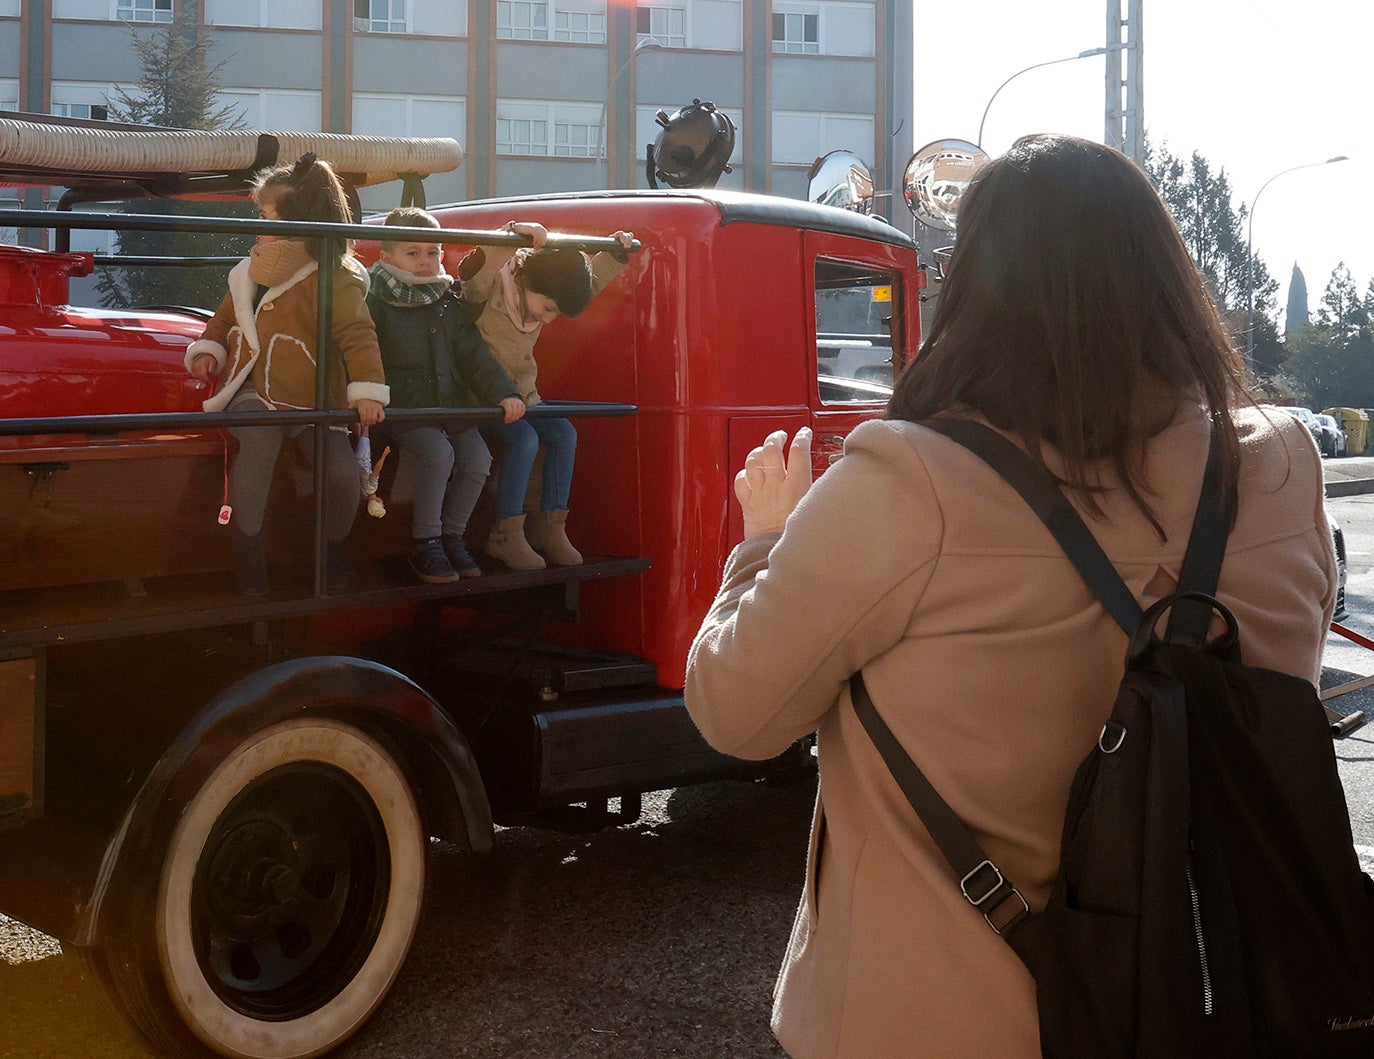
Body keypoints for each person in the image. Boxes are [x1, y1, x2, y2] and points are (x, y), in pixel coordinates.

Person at [685, 134, 1337, 1057]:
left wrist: (761, 542)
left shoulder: (910, 479)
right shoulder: (1274, 464)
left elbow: (734, 712)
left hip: (935, 1018)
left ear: (976, 288)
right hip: (1217, 999)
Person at [185, 153, 388, 595]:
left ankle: (333, 553)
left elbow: (357, 333)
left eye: (264, 215)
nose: (257, 224)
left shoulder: (335, 276)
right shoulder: (250, 270)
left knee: (340, 473)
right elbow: (224, 321)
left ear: (298, 221)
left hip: (314, 394)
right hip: (253, 386)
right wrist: (210, 351)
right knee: (258, 440)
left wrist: (367, 391)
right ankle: (250, 552)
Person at [457, 221, 634, 571]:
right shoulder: (491, 289)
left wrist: (614, 254)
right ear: (529, 280)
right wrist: (512, 234)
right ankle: (505, 532)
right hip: (479, 396)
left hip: (522, 396)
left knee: (564, 432)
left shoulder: (539, 292)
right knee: (523, 439)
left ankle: (549, 527)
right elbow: (477, 269)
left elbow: (587, 284)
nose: (549, 320)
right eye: (549, 309)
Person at [366, 207, 526, 583]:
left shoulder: (444, 299)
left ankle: (453, 535)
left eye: (433, 252)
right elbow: (363, 350)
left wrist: (504, 392)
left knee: (478, 459)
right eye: (413, 253)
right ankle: (426, 542)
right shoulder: (376, 299)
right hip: (403, 406)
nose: (426, 261)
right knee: (439, 453)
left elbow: (473, 353)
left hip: (446, 402)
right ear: (387, 258)